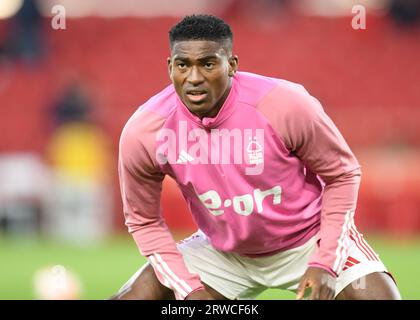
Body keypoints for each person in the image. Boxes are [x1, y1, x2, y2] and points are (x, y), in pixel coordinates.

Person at [112, 15, 401, 300]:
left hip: (309, 239)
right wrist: (190, 292)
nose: (194, 78)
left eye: (208, 63)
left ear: (232, 65)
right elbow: (144, 221)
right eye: (183, 65)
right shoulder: (146, 131)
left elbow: (342, 174)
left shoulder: (285, 103)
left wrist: (326, 262)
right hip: (224, 254)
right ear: (170, 67)